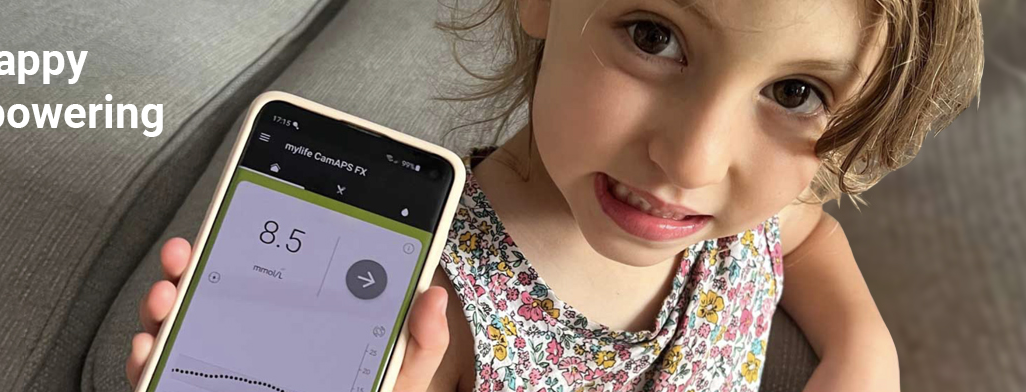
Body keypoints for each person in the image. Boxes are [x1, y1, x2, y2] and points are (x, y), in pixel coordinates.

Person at [128, 0, 983, 390]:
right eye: (654, 37)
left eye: (795, 93)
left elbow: (807, 236)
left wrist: (864, 353)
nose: (693, 159)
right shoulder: (441, 310)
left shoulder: (749, 217)